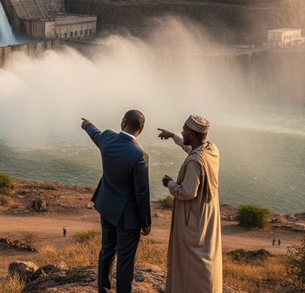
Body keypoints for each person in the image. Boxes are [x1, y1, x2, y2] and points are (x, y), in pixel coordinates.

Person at [81, 110, 152, 293]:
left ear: (123, 122)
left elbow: (95, 133)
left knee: (106, 251)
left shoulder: (107, 138)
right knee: (125, 260)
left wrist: (87, 124)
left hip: (106, 207)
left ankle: (103, 290)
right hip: (127, 218)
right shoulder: (139, 156)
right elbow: (142, 193)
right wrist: (146, 222)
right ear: (142, 129)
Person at [159, 114, 222, 293]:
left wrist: (169, 184)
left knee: (192, 260)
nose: (182, 131)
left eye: (184, 130)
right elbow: (191, 149)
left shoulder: (195, 162)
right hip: (207, 214)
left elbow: (188, 192)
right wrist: (174, 137)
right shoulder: (211, 149)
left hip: (193, 218)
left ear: (192, 134)